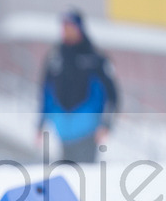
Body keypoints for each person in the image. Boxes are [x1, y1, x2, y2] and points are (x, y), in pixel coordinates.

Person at [37, 9, 119, 163]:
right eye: (64, 28)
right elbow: (45, 93)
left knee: (85, 175)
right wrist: (40, 125)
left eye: (71, 27)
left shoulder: (95, 58)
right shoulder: (55, 58)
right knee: (66, 175)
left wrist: (107, 124)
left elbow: (112, 96)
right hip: (62, 130)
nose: (67, 32)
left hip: (88, 130)